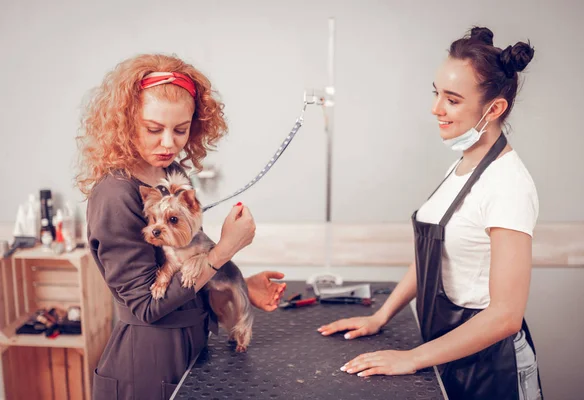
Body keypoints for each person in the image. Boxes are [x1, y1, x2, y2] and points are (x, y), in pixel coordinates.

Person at [318, 27, 542, 400]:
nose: (436, 108)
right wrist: (381, 316)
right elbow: (433, 258)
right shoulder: (462, 168)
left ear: (495, 109)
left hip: (489, 365)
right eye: (436, 93)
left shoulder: (508, 185)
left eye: (452, 100)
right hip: (448, 350)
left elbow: (505, 315)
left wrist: (413, 358)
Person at [76, 53, 286, 400]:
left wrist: (236, 287)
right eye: (154, 129)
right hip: (147, 361)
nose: (169, 143)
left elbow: (185, 262)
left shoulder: (171, 176)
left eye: (181, 129)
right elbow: (147, 305)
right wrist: (226, 250)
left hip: (192, 344)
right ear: (126, 122)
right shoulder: (116, 194)